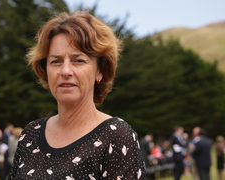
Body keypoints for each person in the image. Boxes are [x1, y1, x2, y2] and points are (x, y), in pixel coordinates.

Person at [8, 11, 145, 180]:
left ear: (100, 71)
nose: (65, 71)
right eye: (56, 61)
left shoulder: (116, 136)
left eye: (78, 60)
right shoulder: (30, 134)